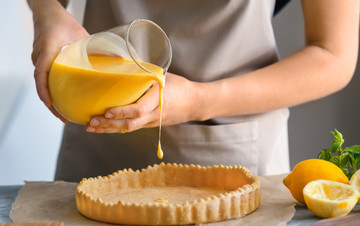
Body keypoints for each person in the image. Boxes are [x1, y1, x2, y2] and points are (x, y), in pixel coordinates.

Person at [27, 0, 359, 182]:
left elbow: (333, 54)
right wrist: (49, 15)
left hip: (231, 156)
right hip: (97, 148)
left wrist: (199, 100)